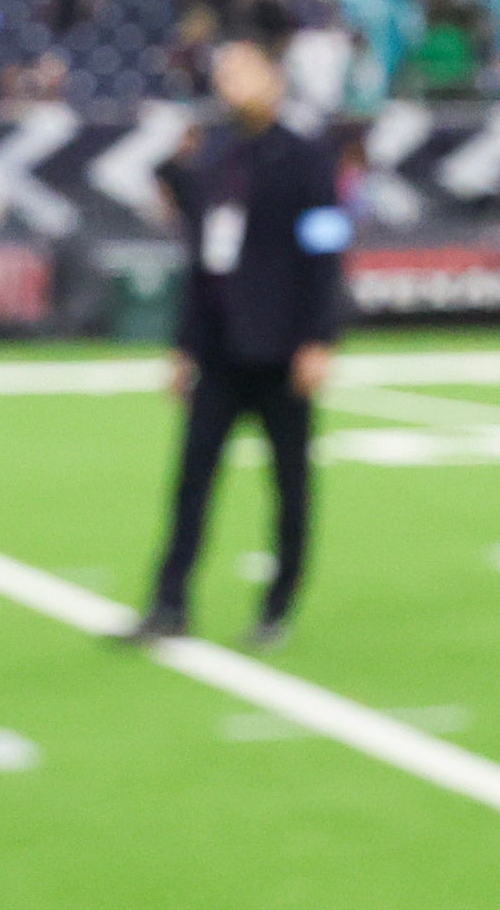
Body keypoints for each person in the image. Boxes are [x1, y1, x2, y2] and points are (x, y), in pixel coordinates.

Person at [129, 38, 348, 652]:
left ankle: (278, 604)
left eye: (244, 72)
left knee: (289, 484)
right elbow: (202, 264)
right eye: (224, 74)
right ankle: (169, 602)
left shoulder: (305, 158)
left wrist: (318, 339)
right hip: (223, 348)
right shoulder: (217, 159)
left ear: (273, 80)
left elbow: (326, 254)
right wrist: (184, 347)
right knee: (192, 479)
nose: (232, 85)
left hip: (282, 349)